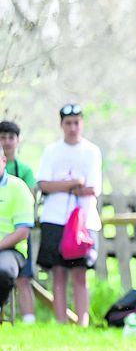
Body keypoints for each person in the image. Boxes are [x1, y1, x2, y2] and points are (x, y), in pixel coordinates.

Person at [36, 104, 102, 327]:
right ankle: (61, 320)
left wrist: (62, 185)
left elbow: (92, 188)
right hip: (54, 217)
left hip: (83, 220)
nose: (73, 128)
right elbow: (44, 184)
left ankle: (83, 321)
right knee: (58, 272)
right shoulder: (51, 151)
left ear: (81, 123)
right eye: (68, 123)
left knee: (80, 273)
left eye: (76, 122)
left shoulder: (92, 151)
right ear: (61, 125)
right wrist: (72, 183)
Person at [0, 120, 38, 323]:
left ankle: (29, 319)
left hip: (20, 230)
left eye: (10, 137)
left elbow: (30, 198)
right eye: (2, 137)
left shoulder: (23, 172)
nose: (6, 141)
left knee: (23, 278)